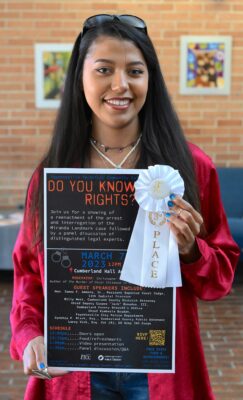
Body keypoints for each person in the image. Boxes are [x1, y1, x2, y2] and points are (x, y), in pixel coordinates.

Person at [10, 14, 239, 400]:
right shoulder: (53, 174)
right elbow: (29, 275)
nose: (120, 85)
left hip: (158, 369)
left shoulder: (191, 167)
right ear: (80, 77)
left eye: (135, 70)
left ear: (150, 79)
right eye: (103, 69)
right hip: (76, 369)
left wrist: (190, 250)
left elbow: (220, 277)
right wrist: (29, 333)